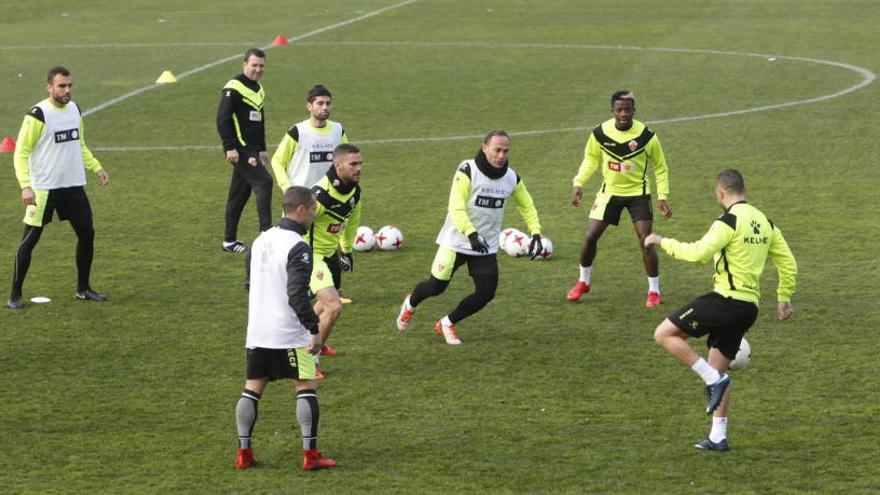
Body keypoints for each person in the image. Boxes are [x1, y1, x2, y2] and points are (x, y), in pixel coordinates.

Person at [644, 169, 797, 452]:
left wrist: (662, 241)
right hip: (749, 308)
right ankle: (718, 436)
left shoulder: (727, 221)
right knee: (719, 365)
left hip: (725, 301)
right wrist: (783, 297)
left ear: (720, 193)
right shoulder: (766, 222)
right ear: (744, 188)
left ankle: (713, 379)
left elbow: (698, 253)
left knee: (664, 334)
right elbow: (788, 262)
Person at [396, 130, 543, 344]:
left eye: (505, 151)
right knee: (436, 287)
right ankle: (410, 303)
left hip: (485, 246)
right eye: (497, 150)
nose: (501, 155)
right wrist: (471, 233)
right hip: (456, 241)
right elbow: (455, 207)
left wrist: (536, 232)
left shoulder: (511, 177)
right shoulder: (467, 170)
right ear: (484, 148)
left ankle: (447, 323)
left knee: (486, 293)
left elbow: (526, 205)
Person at [235, 185, 336, 471]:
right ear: (301, 209)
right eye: (313, 209)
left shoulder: (259, 240)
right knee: (306, 386)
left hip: (257, 331)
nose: (315, 214)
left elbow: (248, 285)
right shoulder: (298, 246)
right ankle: (311, 455)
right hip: (290, 334)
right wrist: (313, 328)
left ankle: (244, 453)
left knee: (252, 388)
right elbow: (297, 295)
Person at [8, 66, 110, 309]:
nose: (67, 90)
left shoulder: (75, 109)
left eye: (70, 86)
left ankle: (83, 289)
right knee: (29, 241)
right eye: (62, 86)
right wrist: (25, 186)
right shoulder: (38, 114)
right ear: (49, 87)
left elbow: (79, 143)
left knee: (87, 234)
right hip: (44, 189)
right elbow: (20, 151)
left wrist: (96, 167)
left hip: (73, 186)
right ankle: (14, 295)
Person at [567, 90, 671, 308]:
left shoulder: (646, 136)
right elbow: (591, 160)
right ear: (612, 111)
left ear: (634, 110)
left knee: (646, 240)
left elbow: (660, 167)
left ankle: (654, 290)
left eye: (628, 109)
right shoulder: (600, 133)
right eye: (619, 110)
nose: (623, 114)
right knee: (590, 236)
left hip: (638, 195)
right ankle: (583, 281)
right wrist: (579, 183)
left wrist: (662, 196)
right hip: (609, 193)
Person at [306, 143, 363, 375]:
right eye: (353, 164)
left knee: (332, 297)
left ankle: (312, 335)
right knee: (334, 307)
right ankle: (310, 360)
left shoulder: (354, 190)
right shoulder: (319, 195)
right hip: (311, 256)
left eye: (360, 163)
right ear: (337, 165)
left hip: (331, 253)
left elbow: (352, 220)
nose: (359, 168)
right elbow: (295, 224)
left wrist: (346, 250)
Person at [216, 48, 272, 254]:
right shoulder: (233, 88)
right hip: (240, 149)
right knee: (265, 182)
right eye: (254, 65)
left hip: (252, 150)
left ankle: (229, 241)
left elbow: (259, 121)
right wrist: (229, 146)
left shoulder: (258, 88)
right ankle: (267, 234)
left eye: (261, 66)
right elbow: (222, 119)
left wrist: (263, 149)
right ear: (244, 64)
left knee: (239, 194)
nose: (258, 69)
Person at [271, 84, 349, 190]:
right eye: (320, 103)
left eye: (328, 103)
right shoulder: (297, 131)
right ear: (309, 106)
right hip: (301, 196)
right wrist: (287, 188)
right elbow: (277, 161)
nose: (325, 107)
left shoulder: (338, 130)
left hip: (330, 196)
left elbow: (347, 160)